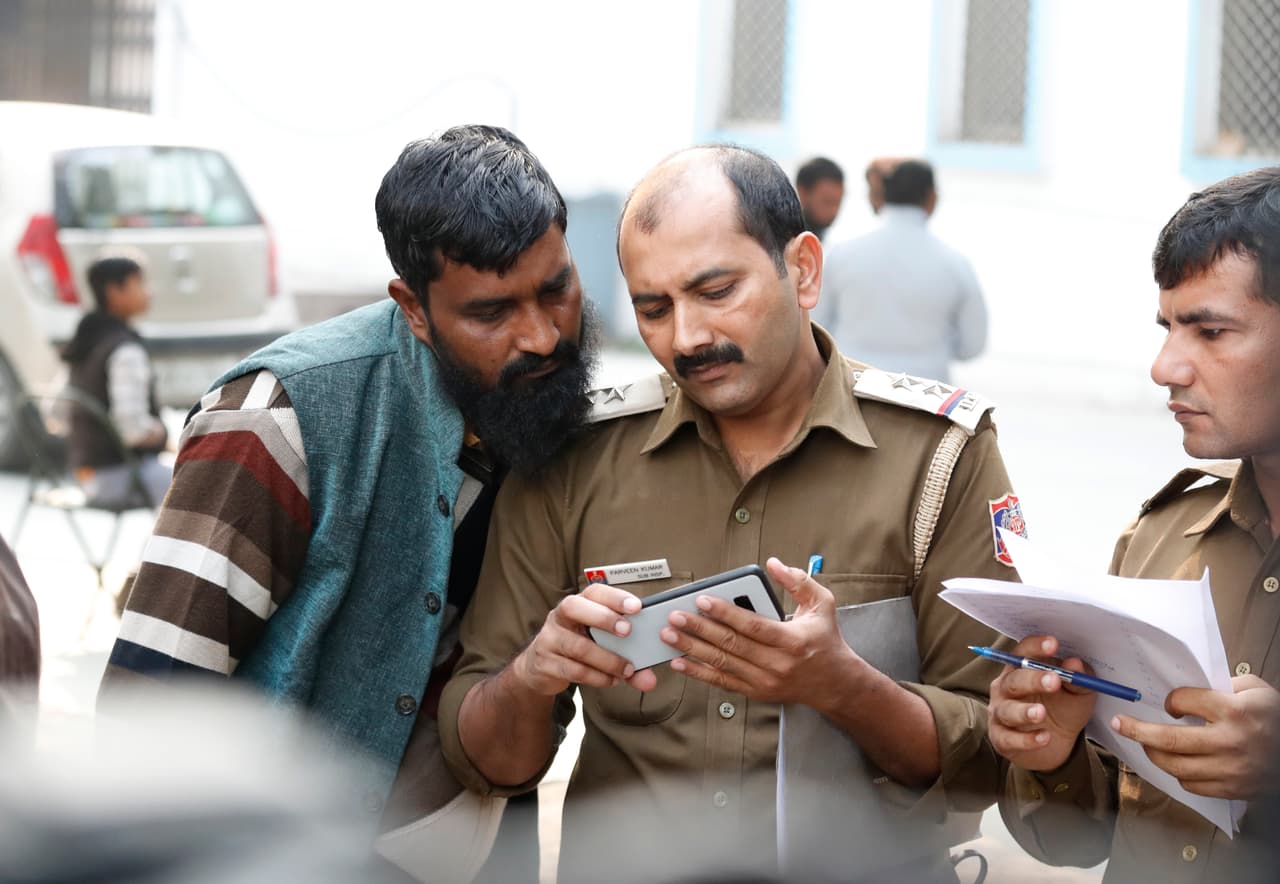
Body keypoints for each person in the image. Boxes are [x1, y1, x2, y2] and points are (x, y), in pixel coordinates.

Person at [440, 145, 1024, 883]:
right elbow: (489, 762)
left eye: (716, 291)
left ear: (804, 271)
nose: (685, 339)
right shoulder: (575, 461)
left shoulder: (939, 458)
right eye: (653, 308)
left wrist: (841, 686)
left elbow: (998, 758)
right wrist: (532, 678)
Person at [98, 125, 600, 878]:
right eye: (491, 313)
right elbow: (148, 717)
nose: (539, 335)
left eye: (556, 288)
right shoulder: (277, 418)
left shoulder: (560, 412)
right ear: (415, 308)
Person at [988, 166, 1280, 883]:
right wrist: (1051, 753)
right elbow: (1083, 840)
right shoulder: (1162, 539)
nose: (1164, 368)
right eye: (1169, 328)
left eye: (1211, 331)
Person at [820, 159, 988, 383]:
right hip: (926, 399)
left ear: (884, 195)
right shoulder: (955, 264)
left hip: (851, 391)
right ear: (931, 198)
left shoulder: (840, 255)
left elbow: (816, 326)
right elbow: (972, 346)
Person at [61, 255, 172, 508]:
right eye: (140, 284)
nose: (149, 293)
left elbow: (56, 414)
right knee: (204, 481)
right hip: (115, 476)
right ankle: (166, 549)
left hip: (81, 473)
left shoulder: (84, 341)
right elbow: (133, 431)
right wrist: (164, 435)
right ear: (114, 291)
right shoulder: (124, 350)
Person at [794, 156, 844, 242]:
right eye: (827, 201)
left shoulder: (829, 242)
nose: (834, 210)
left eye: (838, 202)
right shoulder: (779, 243)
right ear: (802, 192)